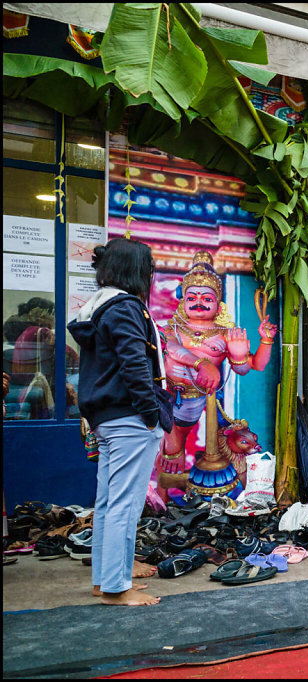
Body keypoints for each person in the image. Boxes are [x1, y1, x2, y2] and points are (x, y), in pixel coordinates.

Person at [67, 237, 168, 606]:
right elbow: (134, 365)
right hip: (129, 418)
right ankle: (115, 587)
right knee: (124, 504)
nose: (152, 274)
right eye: (149, 267)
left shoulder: (98, 308)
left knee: (110, 502)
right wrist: (151, 413)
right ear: (135, 270)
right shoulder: (125, 309)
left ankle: (107, 579)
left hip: (107, 418)